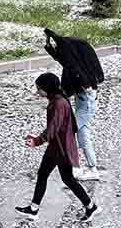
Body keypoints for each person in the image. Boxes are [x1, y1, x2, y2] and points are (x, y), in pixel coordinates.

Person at [16, 73, 100, 222]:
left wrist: (37, 141)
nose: (37, 91)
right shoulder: (57, 100)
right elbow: (57, 127)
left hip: (61, 149)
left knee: (68, 179)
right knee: (43, 174)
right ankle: (34, 208)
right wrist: (39, 139)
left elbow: (53, 128)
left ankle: (91, 206)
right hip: (56, 147)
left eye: (39, 88)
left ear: (47, 88)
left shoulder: (58, 103)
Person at [43, 28, 105, 181]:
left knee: (69, 130)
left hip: (86, 102)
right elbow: (66, 61)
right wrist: (50, 44)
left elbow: (70, 65)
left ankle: (79, 167)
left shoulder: (78, 70)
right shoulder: (77, 64)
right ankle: (90, 168)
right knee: (83, 134)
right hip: (83, 101)